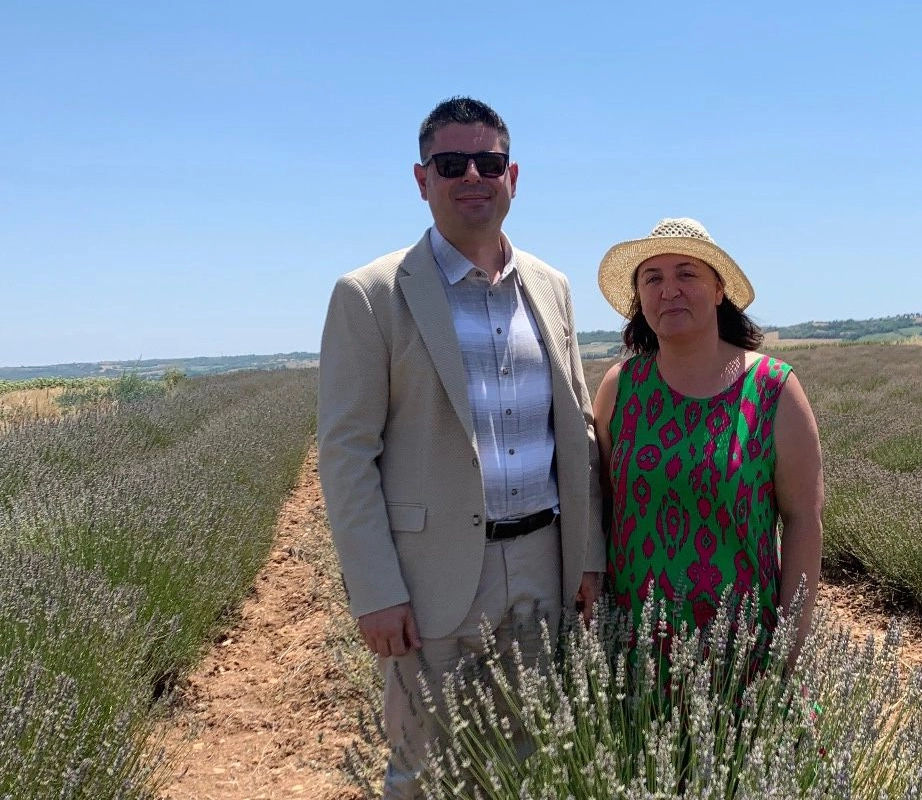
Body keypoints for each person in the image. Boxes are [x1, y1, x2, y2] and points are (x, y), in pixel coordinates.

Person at [317, 96, 604, 800]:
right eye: (451, 164)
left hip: (541, 565)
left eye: (488, 162)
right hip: (428, 581)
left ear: (513, 177)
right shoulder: (371, 294)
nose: (472, 175)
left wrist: (589, 555)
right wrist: (376, 591)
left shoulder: (552, 288)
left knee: (534, 761)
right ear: (422, 180)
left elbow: (577, 429)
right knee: (424, 772)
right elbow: (347, 455)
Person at [592, 217, 824, 666]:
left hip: (741, 654)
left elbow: (803, 521)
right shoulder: (620, 388)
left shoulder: (773, 389)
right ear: (639, 297)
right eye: (652, 278)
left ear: (719, 290)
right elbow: (601, 507)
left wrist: (791, 647)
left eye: (687, 273)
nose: (669, 290)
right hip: (634, 649)